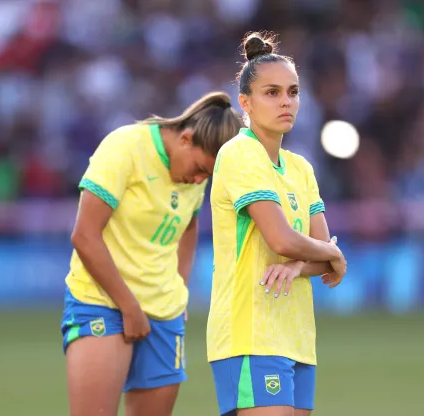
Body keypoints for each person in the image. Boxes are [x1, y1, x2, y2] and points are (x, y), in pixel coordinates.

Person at [61, 91, 243, 416]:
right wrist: (129, 306)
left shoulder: (195, 170)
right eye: (201, 168)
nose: (200, 179)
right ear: (186, 139)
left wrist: (181, 290)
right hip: (101, 302)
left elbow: (189, 225)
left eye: (208, 176)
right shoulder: (126, 147)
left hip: (163, 312)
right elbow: (85, 235)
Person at [207, 32, 348, 416]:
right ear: (245, 103)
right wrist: (331, 251)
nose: (286, 101)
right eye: (272, 92)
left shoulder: (301, 168)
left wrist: (307, 261)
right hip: (250, 333)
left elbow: (318, 261)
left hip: (298, 337)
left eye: (293, 91)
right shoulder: (240, 153)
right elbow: (285, 240)